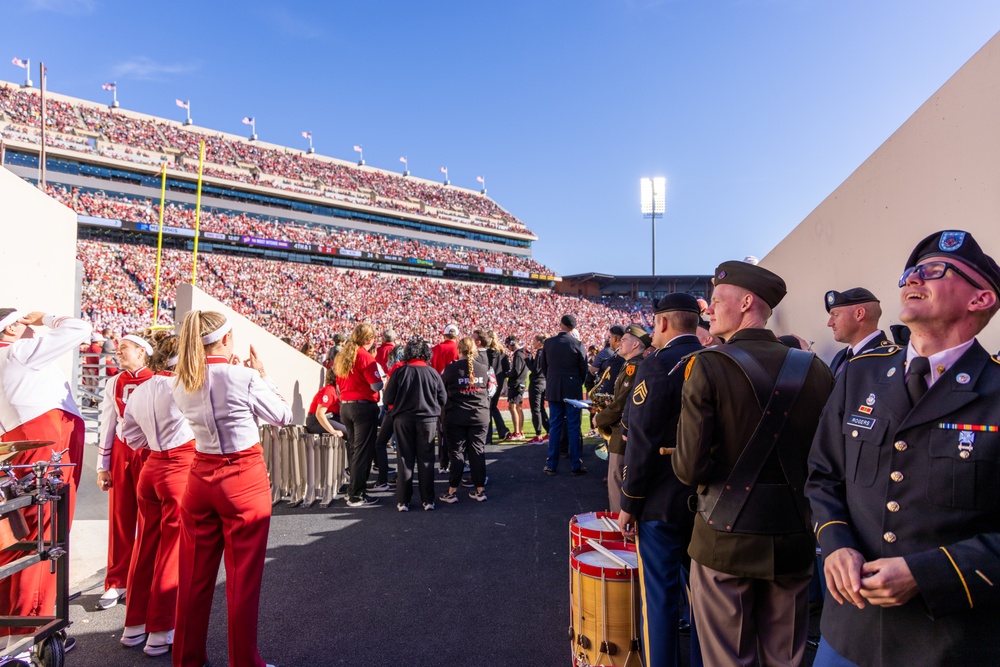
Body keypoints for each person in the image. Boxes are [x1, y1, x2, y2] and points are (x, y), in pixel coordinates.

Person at [807, 229, 1000, 666]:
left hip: (946, 642)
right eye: (910, 272)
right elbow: (823, 474)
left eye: (933, 271)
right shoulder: (861, 375)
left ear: (981, 299)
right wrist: (835, 542)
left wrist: (927, 573)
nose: (912, 279)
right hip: (848, 632)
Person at [672, 261, 835, 667]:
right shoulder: (815, 368)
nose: (708, 311)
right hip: (793, 538)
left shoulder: (708, 365)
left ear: (746, 303)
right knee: (787, 659)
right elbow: (828, 459)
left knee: (727, 659)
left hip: (724, 540)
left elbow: (689, 470)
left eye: (715, 301)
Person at [171, 310, 291, 667]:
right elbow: (283, 416)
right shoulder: (245, 377)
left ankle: (186, 658)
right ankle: (243, 661)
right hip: (242, 477)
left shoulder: (180, 380)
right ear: (225, 339)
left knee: (192, 577)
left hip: (200, 475)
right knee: (242, 581)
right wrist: (262, 375)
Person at [617, 294, 702, 667]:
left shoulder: (658, 366)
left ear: (664, 323)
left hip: (662, 502)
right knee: (704, 600)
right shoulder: (718, 360)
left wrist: (629, 502)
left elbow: (642, 440)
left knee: (660, 600)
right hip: (709, 502)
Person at [0, 309, 90, 653]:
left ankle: (16, 629)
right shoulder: (17, 351)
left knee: (20, 539)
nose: (29, 326)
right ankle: (28, 632)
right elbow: (79, 327)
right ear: (10, 327)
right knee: (43, 537)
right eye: (22, 321)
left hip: (23, 445)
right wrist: (45, 317)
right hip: (44, 446)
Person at [119, 333, 195, 656]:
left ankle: (133, 625)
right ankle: (161, 630)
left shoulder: (142, 390)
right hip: (178, 468)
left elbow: (129, 435)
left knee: (144, 544)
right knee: (172, 550)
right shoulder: (182, 386)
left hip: (151, 469)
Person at [96, 330, 155, 610]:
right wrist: (102, 466)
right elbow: (107, 422)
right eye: (118, 348)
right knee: (120, 516)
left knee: (149, 517)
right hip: (122, 452)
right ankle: (116, 580)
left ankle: (146, 579)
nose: (119, 352)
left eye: (125, 348)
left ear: (142, 351)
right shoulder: (114, 382)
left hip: (149, 450)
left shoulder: (158, 379)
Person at [383, 338, 447, 511]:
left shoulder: (400, 372)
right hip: (427, 420)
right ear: (426, 353)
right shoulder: (433, 373)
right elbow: (443, 399)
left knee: (404, 458)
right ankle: (428, 500)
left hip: (403, 419)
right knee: (426, 459)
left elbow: (387, 398)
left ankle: (404, 500)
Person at [594, 324, 649, 513]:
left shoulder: (635, 367)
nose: (619, 343)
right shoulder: (630, 365)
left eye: (624, 340)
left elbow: (622, 403)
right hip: (622, 430)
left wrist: (599, 419)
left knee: (616, 481)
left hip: (623, 430)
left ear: (635, 345)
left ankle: (619, 529)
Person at [439, 337, 494, 504]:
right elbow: (491, 391)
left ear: (459, 350)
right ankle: (480, 490)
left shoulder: (450, 369)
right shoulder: (484, 369)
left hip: (456, 416)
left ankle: (452, 492)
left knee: (456, 453)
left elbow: (441, 390)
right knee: (477, 452)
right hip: (479, 416)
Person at [335, 323, 384, 507]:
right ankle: (356, 494)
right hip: (363, 407)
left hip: (346, 406)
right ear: (370, 340)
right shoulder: (365, 357)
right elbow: (376, 386)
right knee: (363, 452)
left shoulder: (343, 356)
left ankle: (353, 491)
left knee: (356, 451)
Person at [540, 314, 588, 476]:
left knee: (555, 427)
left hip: (554, 388)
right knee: (574, 427)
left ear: (561, 325)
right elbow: (584, 370)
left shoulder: (548, 343)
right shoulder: (578, 344)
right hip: (572, 389)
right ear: (573, 328)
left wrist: (553, 380)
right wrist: (575, 382)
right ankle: (575, 464)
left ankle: (551, 464)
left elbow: (543, 367)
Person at [824, 287, 888, 376]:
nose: (829, 323)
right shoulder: (841, 356)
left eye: (836, 315)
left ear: (859, 314)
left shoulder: (887, 358)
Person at [476, 329, 511, 443]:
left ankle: (489, 436)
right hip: (498, 382)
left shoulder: (485, 353)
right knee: (493, 407)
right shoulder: (501, 352)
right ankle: (502, 430)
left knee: (488, 408)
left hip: (489, 381)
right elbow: (506, 369)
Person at [305, 367, 345, 439]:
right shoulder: (329, 390)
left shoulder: (339, 392)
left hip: (331, 418)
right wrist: (333, 431)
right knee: (350, 433)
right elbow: (319, 413)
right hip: (317, 421)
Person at [525, 334, 550, 444]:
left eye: (534, 341)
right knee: (541, 409)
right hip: (543, 382)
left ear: (539, 342)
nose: (533, 343)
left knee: (536, 409)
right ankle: (548, 431)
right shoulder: (544, 352)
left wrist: (527, 359)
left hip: (537, 383)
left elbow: (535, 370)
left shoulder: (540, 353)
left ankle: (538, 434)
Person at [505, 335, 528, 440]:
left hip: (516, 384)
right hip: (521, 383)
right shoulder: (522, 353)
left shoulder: (518, 354)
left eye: (507, 345)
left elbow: (516, 371)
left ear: (512, 343)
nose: (508, 348)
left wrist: (507, 374)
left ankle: (517, 432)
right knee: (518, 407)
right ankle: (520, 431)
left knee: (512, 407)